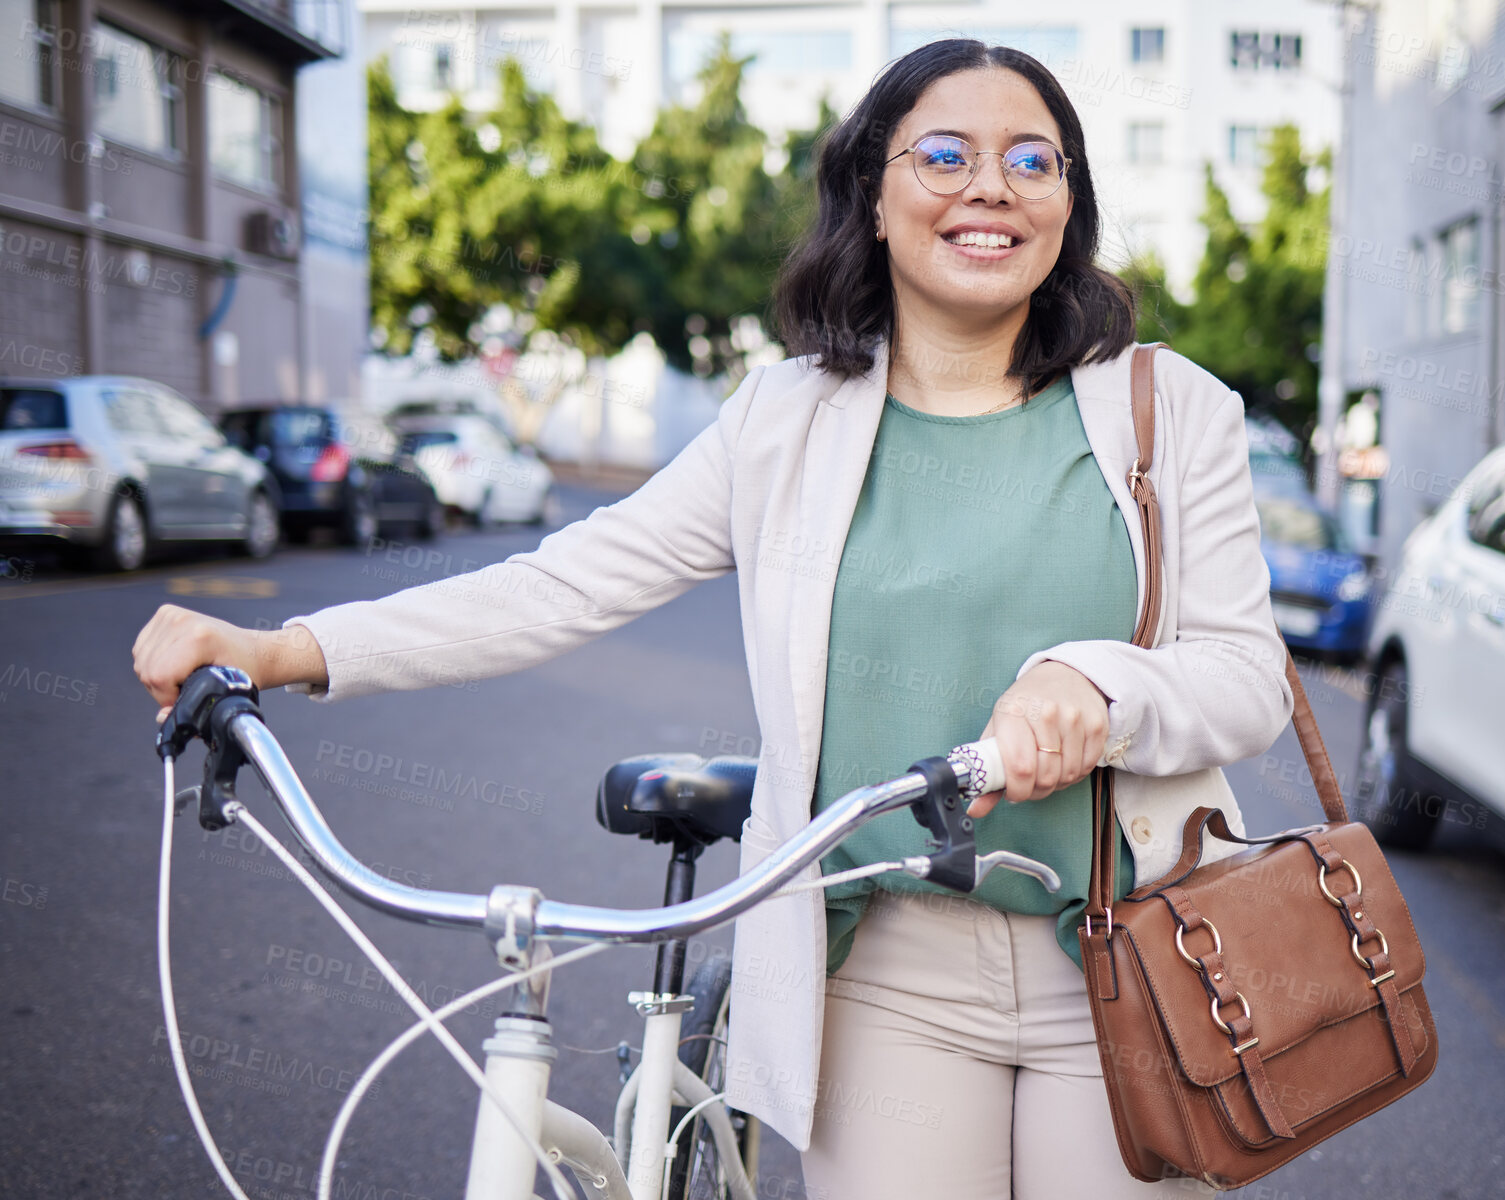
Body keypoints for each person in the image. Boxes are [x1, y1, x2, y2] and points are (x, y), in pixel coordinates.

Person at [133, 39, 1292, 1199]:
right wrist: (279, 650)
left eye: (1032, 159)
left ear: (1067, 204)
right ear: (872, 199)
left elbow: (1246, 677)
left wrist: (1100, 688)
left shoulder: (1168, 408)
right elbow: (560, 582)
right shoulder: (784, 420)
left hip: (1134, 957)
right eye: (944, 154)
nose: (990, 185)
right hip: (885, 969)